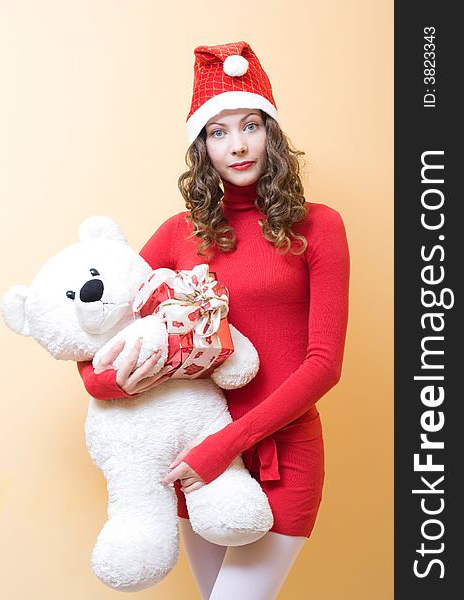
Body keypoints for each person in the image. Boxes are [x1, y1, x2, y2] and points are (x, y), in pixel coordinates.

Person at [77, 41, 350, 600]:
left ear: (271, 132)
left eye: (250, 125)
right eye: (218, 132)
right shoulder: (181, 231)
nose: (239, 144)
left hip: (276, 451)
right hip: (191, 451)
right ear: (202, 146)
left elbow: (324, 365)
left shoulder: (320, 227)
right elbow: (101, 321)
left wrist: (224, 445)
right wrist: (101, 380)